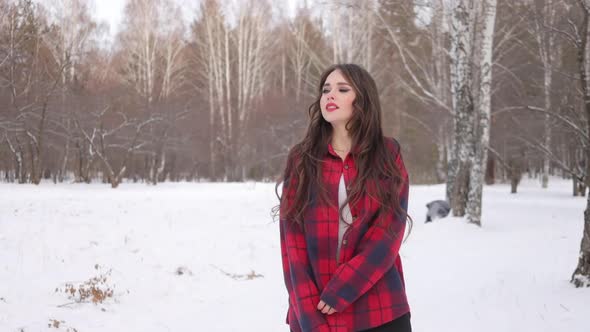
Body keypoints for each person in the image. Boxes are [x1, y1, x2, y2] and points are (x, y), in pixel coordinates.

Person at [277, 63, 413, 332]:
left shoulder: (387, 153)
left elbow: (388, 231)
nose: (330, 95)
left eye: (342, 89)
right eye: (326, 90)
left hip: (380, 309)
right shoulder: (301, 158)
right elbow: (291, 241)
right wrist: (306, 311)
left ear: (362, 98)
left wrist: (343, 288)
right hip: (317, 311)